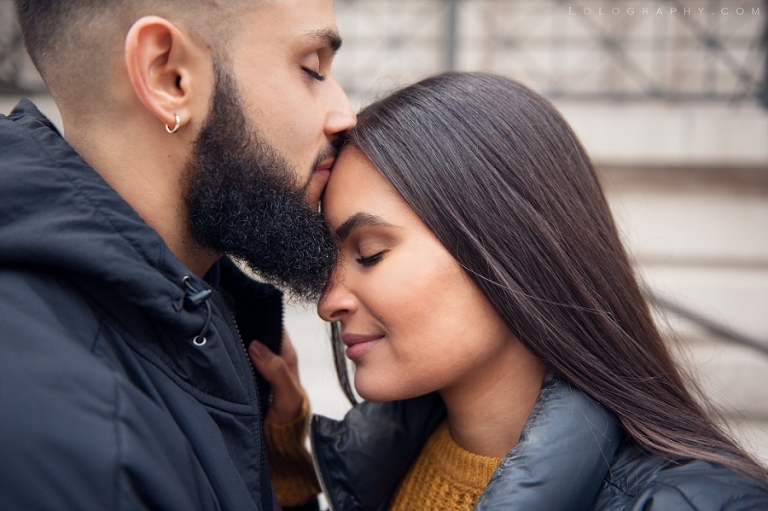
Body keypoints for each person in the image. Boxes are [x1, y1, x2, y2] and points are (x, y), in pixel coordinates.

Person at [306, 72, 768, 510]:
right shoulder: (385, 471)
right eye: (330, 261)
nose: (329, 303)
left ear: (507, 247)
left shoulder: (699, 502)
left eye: (368, 254)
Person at [0, 0, 355, 510]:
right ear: (169, 78)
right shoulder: (77, 440)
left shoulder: (202, 303)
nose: (345, 115)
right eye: (312, 69)